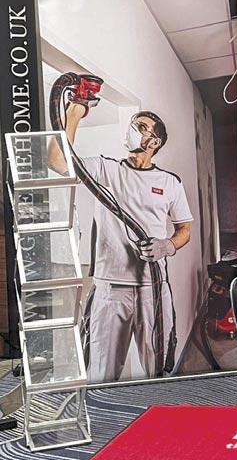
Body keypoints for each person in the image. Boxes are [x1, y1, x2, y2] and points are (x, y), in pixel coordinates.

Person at [48, 103, 192, 382]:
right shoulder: (107, 170)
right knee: (102, 372)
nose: (132, 130)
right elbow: (57, 162)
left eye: (141, 127)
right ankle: (103, 410)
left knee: (157, 366)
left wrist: (167, 245)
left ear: (154, 142)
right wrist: (73, 115)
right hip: (110, 288)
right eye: (133, 124)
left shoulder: (170, 182)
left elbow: (184, 229)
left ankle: (154, 408)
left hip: (152, 286)